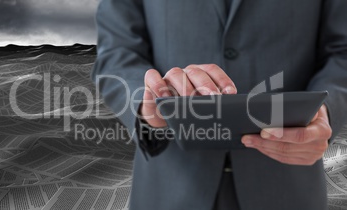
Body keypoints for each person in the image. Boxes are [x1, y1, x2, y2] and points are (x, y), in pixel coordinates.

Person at [91, 0, 347, 209]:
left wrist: (324, 113)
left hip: (288, 187)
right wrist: (146, 103)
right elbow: (116, 52)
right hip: (169, 187)